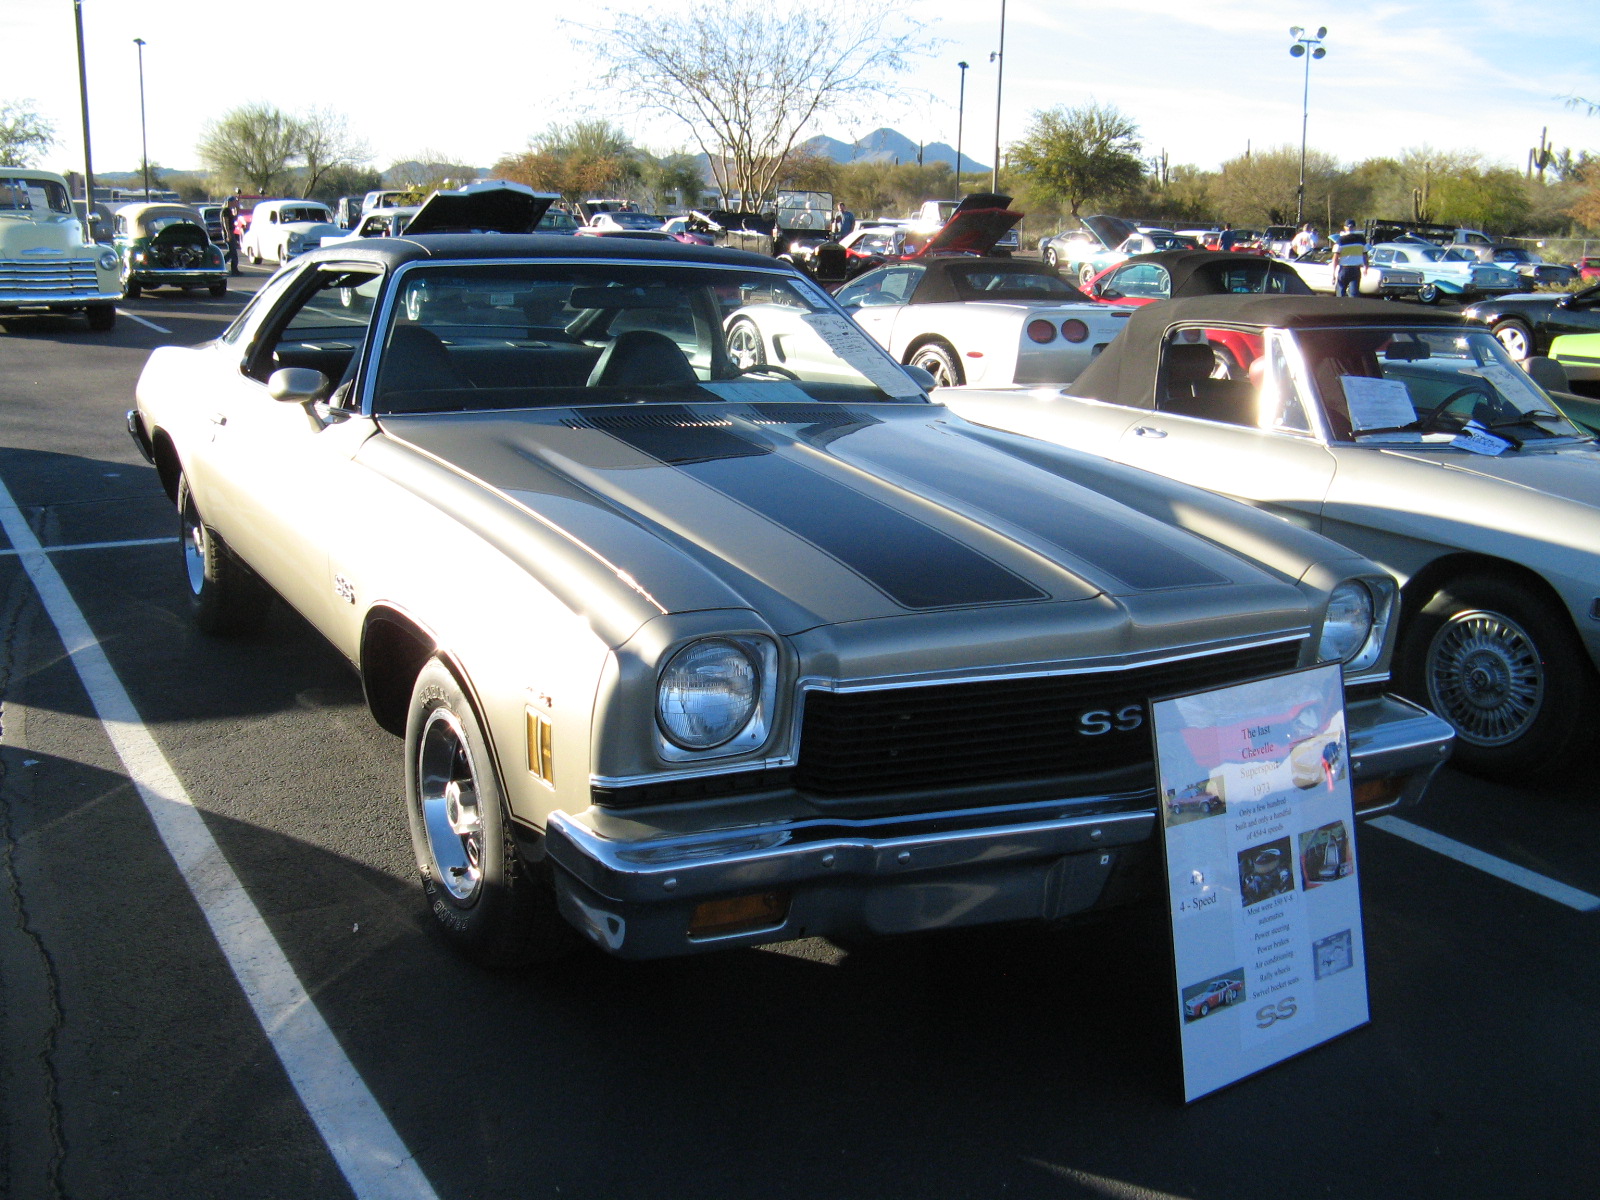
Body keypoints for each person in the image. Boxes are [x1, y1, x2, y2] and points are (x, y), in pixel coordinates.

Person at [1333, 219, 1367, 297]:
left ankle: (1340, 308)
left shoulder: (1340, 240)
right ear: (1354, 227)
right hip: (1356, 269)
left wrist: (1333, 273)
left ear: (1345, 227)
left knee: (1340, 293)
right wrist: (1366, 267)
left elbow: (1335, 258)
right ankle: (1352, 308)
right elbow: (1365, 255)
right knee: (1354, 294)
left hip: (1344, 269)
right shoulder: (1361, 239)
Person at [221, 191, 241, 275]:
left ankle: (221, 264)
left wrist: (237, 207)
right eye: (233, 202)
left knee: (232, 252)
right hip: (228, 232)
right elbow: (225, 222)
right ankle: (233, 269)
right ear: (229, 202)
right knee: (233, 252)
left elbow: (236, 215)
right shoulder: (225, 211)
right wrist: (228, 233)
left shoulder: (229, 210)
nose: (234, 203)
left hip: (230, 232)